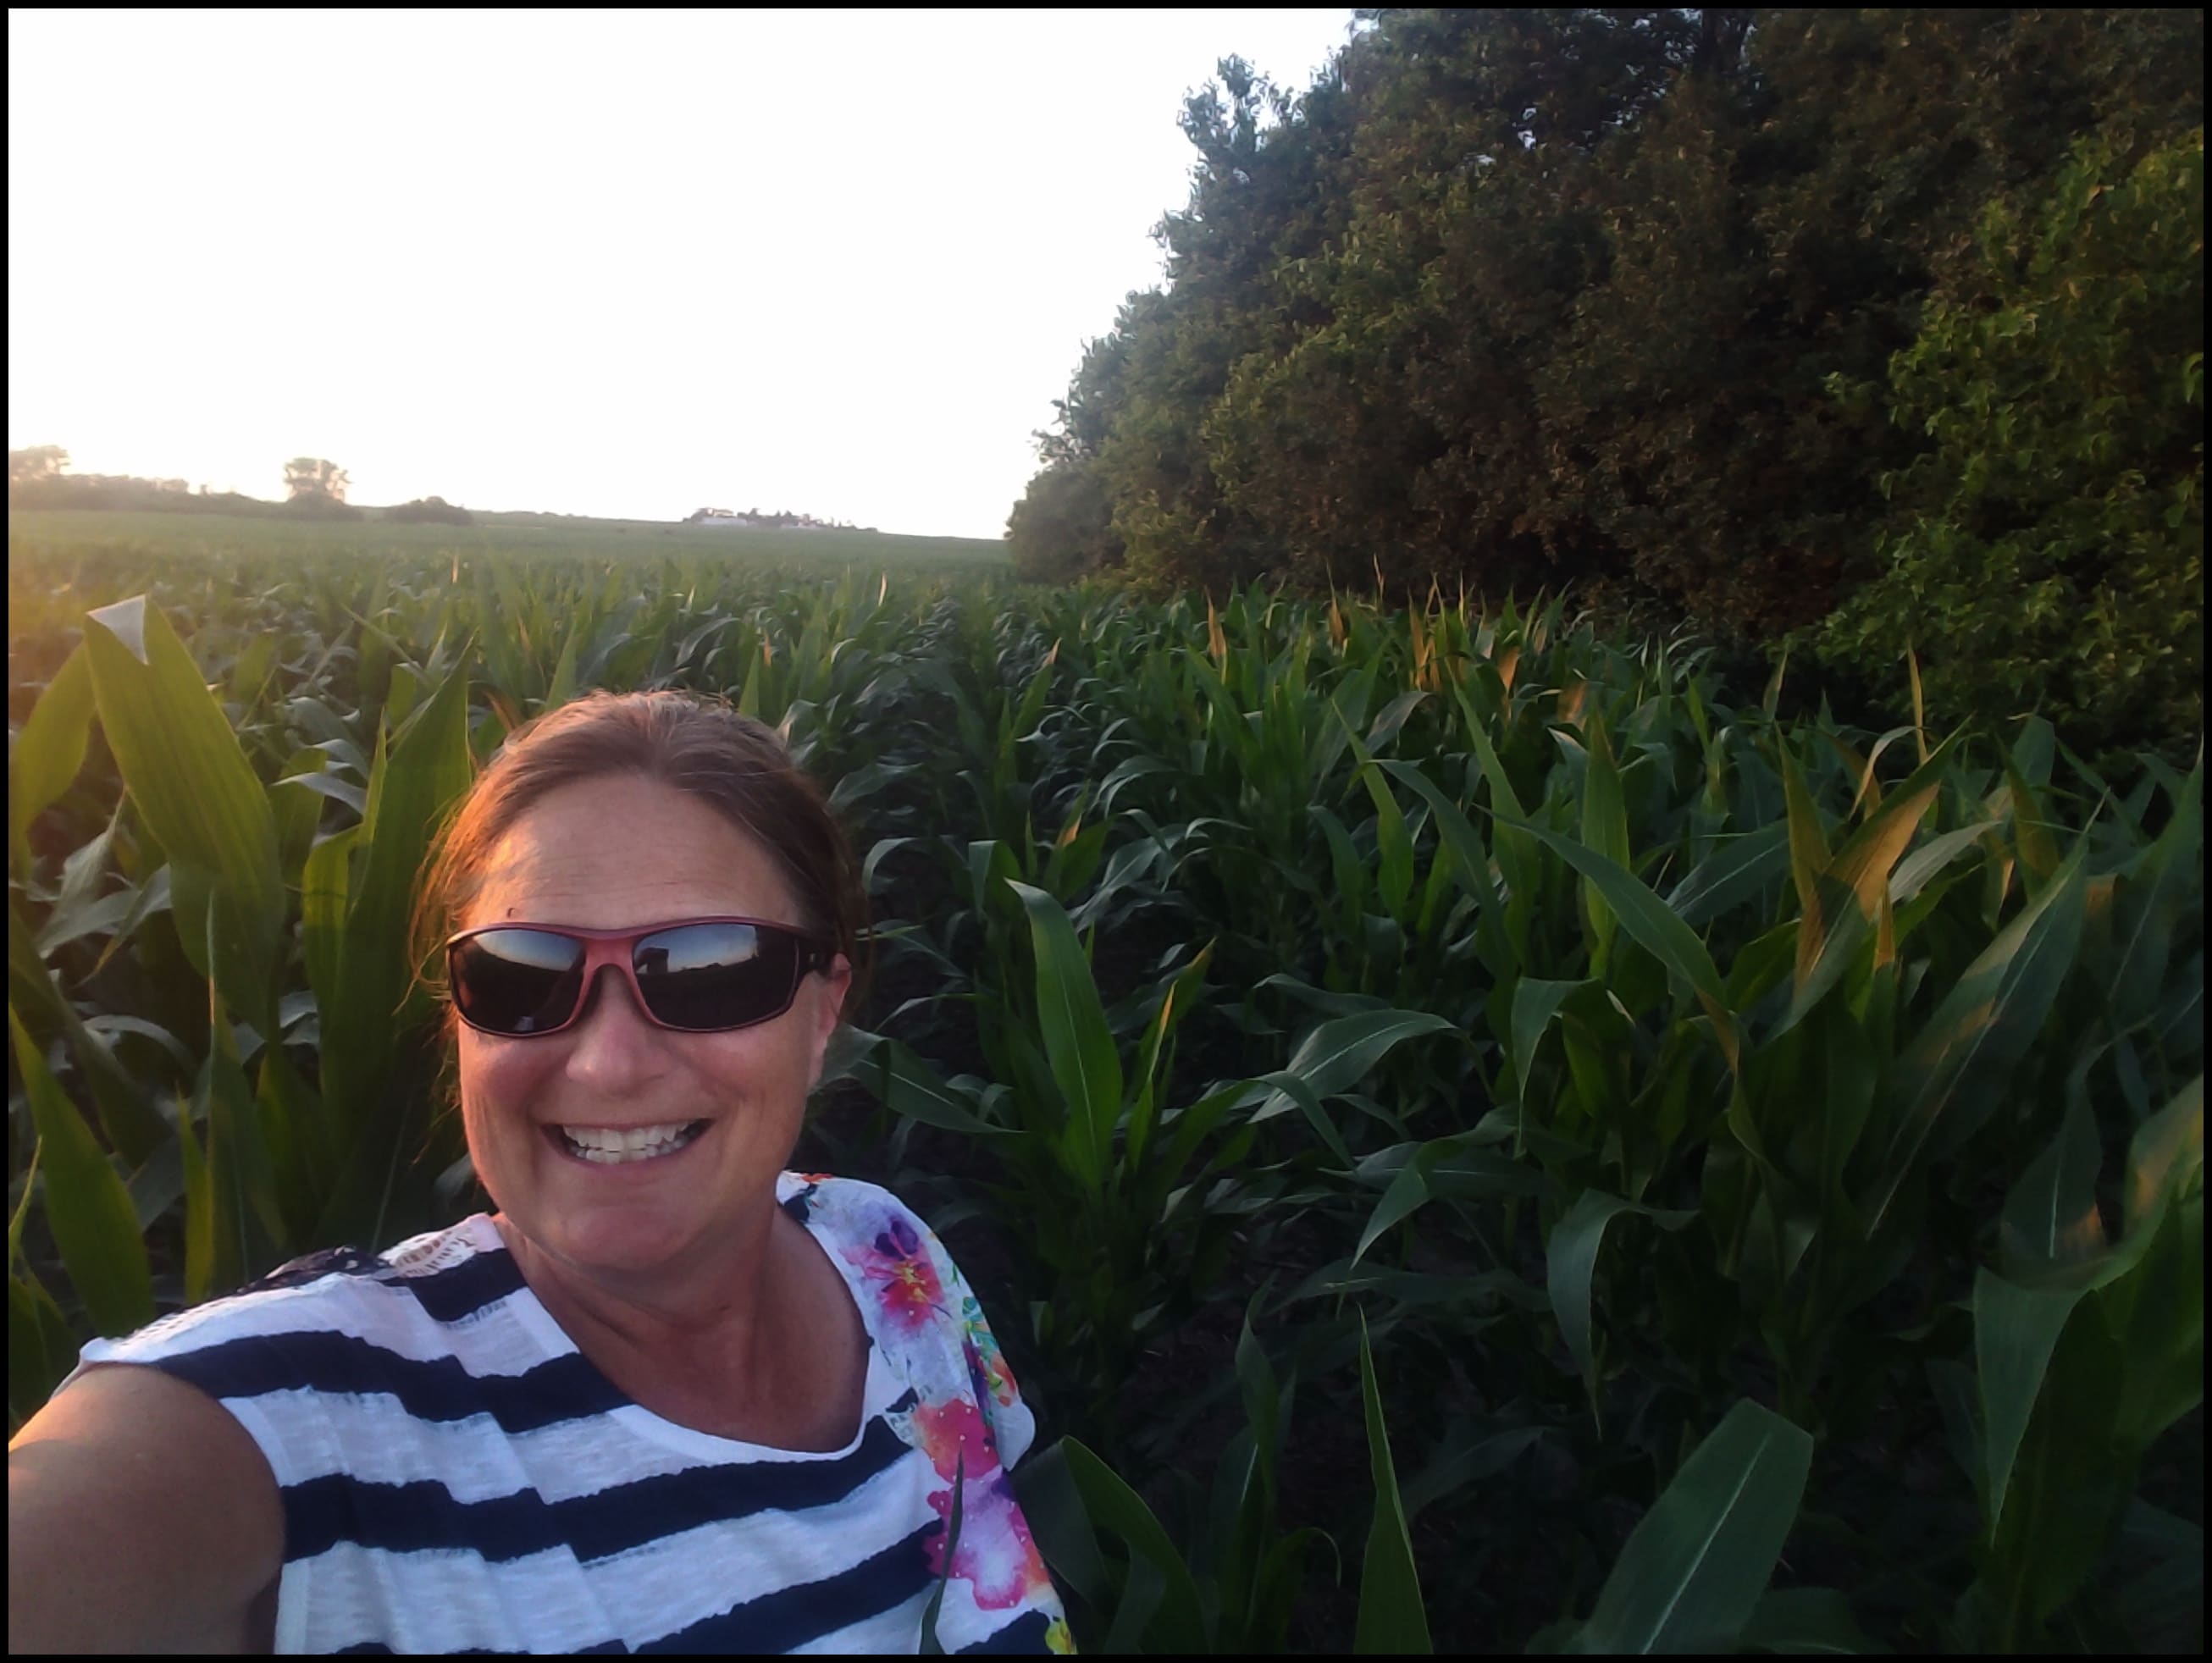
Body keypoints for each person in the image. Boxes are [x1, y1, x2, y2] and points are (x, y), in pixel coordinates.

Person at [8, 689, 1074, 1655]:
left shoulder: (885, 1254)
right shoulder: (299, 1413)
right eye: (521, 972)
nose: (608, 1061)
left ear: (823, 1008)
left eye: (711, 969)